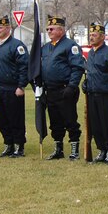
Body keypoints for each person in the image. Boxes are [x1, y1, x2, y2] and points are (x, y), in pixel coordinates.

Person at [41, 15, 86, 160]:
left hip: (65, 89)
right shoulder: (46, 48)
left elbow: (78, 67)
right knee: (55, 121)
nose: (49, 31)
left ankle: (74, 149)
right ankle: (58, 149)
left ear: (61, 30)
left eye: (52, 29)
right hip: (51, 90)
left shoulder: (70, 46)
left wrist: (72, 86)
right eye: (48, 29)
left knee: (70, 120)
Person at [82, 21, 108, 164]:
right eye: (90, 35)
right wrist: (86, 84)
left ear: (102, 36)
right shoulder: (91, 54)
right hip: (92, 95)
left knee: (107, 124)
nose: (91, 38)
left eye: (94, 35)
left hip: (106, 96)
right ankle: (101, 150)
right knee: (95, 125)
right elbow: (91, 73)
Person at [0, 15, 29, 158]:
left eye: (1, 27)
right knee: (2, 120)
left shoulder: (17, 46)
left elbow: (24, 67)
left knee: (15, 118)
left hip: (13, 89)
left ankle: (19, 146)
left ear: (8, 28)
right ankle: (8, 145)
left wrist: (21, 86)